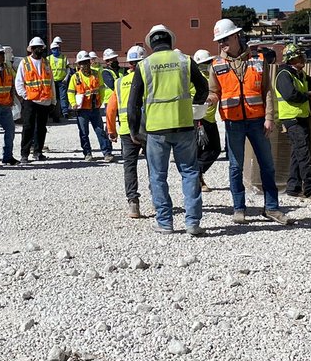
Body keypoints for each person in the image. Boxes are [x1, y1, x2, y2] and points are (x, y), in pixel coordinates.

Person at [126, 25, 208, 236]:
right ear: (171, 41)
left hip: (156, 130)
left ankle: (165, 223)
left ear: (151, 44)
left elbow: (133, 103)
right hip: (184, 125)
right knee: (189, 172)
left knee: (158, 176)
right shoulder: (185, 61)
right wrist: (195, 107)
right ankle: (192, 222)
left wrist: (134, 130)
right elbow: (203, 88)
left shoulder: (144, 66)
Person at [208, 18, 288, 225]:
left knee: (267, 166)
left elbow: (267, 91)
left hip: (257, 120)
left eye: (225, 39)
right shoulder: (216, 64)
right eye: (219, 41)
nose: (222, 44)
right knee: (235, 167)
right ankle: (239, 208)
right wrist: (208, 101)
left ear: (236, 36)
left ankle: (272, 208)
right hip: (233, 123)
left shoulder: (258, 59)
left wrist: (269, 117)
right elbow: (214, 91)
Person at [274, 44, 311, 202]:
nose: (302, 59)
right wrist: (309, 95)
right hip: (291, 119)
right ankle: (310, 190)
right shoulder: (284, 75)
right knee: (304, 154)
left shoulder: (299, 74)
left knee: (297, 153)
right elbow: (291, 95)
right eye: (298, 57)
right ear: (290, 59)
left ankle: (293, 187)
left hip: (301, 117)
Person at [106, 45, 148, 217]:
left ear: (129, 63)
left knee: (130, 166)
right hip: (148, 128)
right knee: (154, 165)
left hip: (125, 129)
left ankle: (133, 204)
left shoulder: (119, 82)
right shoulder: (150, 79)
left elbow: (110, 109)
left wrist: (111, 130)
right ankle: (158, 200)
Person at [67, 51, 113, 162]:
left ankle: (107, 153)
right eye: (82, 63)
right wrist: (73, 104)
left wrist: (100, 101)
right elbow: (70, 92)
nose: (85, 65)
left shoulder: (97, 74)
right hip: (82, 110)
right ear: (79, 65)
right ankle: (87, 153)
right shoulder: (75, 77)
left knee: (100, 131)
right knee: (84, 133)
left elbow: (101, 88)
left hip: (95, 108)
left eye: (86, 62)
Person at [15, 36, 55, 162]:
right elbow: (19, 82)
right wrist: (25, 95)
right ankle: (24, 153)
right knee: (28, 127)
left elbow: (51, 82)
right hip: (31, 101)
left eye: (40, 47)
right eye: (36, 47)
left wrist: (53, 101)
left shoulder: (46, 63)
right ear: (31, 49)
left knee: (41, 128)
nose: (39, 50)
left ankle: (38, 151)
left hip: (44, 101)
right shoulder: (25, 62)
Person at [191, 49, 222, 192]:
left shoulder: (213, 76)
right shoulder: (193, 78)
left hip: (210, 118)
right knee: (197, 150)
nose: (206, 65)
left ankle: (197, 172)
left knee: (215, 149)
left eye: (208, 62)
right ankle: (197, 179)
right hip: (198, 118)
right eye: (203, 63)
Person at [48, 37, 70, 120]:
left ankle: (65, 112)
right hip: (52, 81)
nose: (55, 50)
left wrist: (66, 78)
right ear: (51, 50)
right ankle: (55, 113)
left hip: (62, 81)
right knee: (54, 98)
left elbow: (68, 69)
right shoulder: (48, 59)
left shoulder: (64, 58)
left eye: (56, 49)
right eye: (54, 49)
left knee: (63, 96)